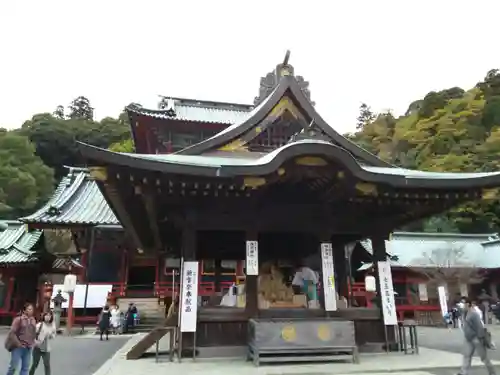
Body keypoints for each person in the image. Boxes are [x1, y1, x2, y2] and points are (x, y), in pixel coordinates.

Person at [458, 298, 496, 375]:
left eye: (463, 303)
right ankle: (463, 373)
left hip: (476, 338)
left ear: (468, 304)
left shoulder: (474, 314)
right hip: (468, 339)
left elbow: (479, 327)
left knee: (483, 357)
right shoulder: (464, 313)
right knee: (467, 355)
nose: (462, 306)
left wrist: (481, 338)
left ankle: (492, 372)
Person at [5, 303, 37, 375]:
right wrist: (18, 344)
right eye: (29, 309)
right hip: (18, 347)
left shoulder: (33, 320)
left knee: (25, 368)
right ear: (24, 310)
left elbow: (33, 333)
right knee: (13, 367)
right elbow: (12, 333)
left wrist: (34, 342)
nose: (31, 311)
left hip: (28, 347)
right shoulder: (18, 319)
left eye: (32, 309)